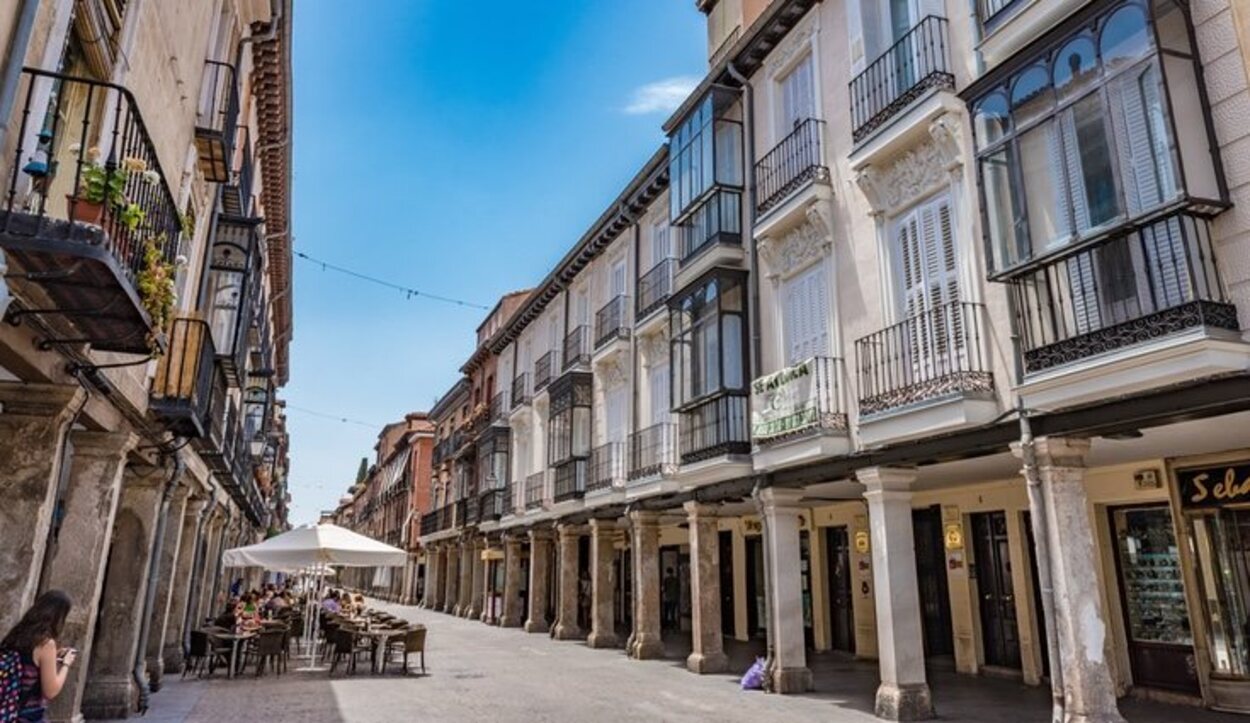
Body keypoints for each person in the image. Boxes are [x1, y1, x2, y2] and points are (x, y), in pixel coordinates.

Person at [0, 590, 77, 722]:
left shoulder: (17, 634)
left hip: (7, 710)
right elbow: (51, 691)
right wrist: (66, 664)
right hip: (28, 715)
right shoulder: (46, 644)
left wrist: (53, 657)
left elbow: (27, 662)